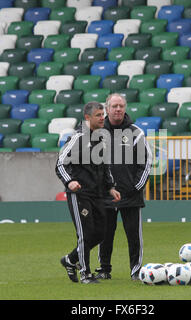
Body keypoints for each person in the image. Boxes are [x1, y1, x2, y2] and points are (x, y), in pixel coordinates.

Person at [56, 101, 121, 284]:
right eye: (99, 115)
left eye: (103, 115)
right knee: (85, 233)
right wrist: (70, 181)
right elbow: (60, 163)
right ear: (87, 118)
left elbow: (104, 165)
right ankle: (85, 273)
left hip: (98, 193)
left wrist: (111, 187)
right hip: (80, 193)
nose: (103, 118)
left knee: (100, 234)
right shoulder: (77, 138)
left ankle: (69, 260)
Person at [94, 93, 152, 281]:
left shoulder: (136, 132)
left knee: (134, 236)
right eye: (114, 106)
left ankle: (136, 270)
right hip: (106, 194)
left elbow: (147, 161)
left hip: (130, 194)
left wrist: (136, 187)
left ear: (125, 108)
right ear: (107, 108)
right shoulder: (97, 132)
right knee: (104, 235)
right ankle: (104, 269)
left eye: (121, 105)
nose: (118, 109)